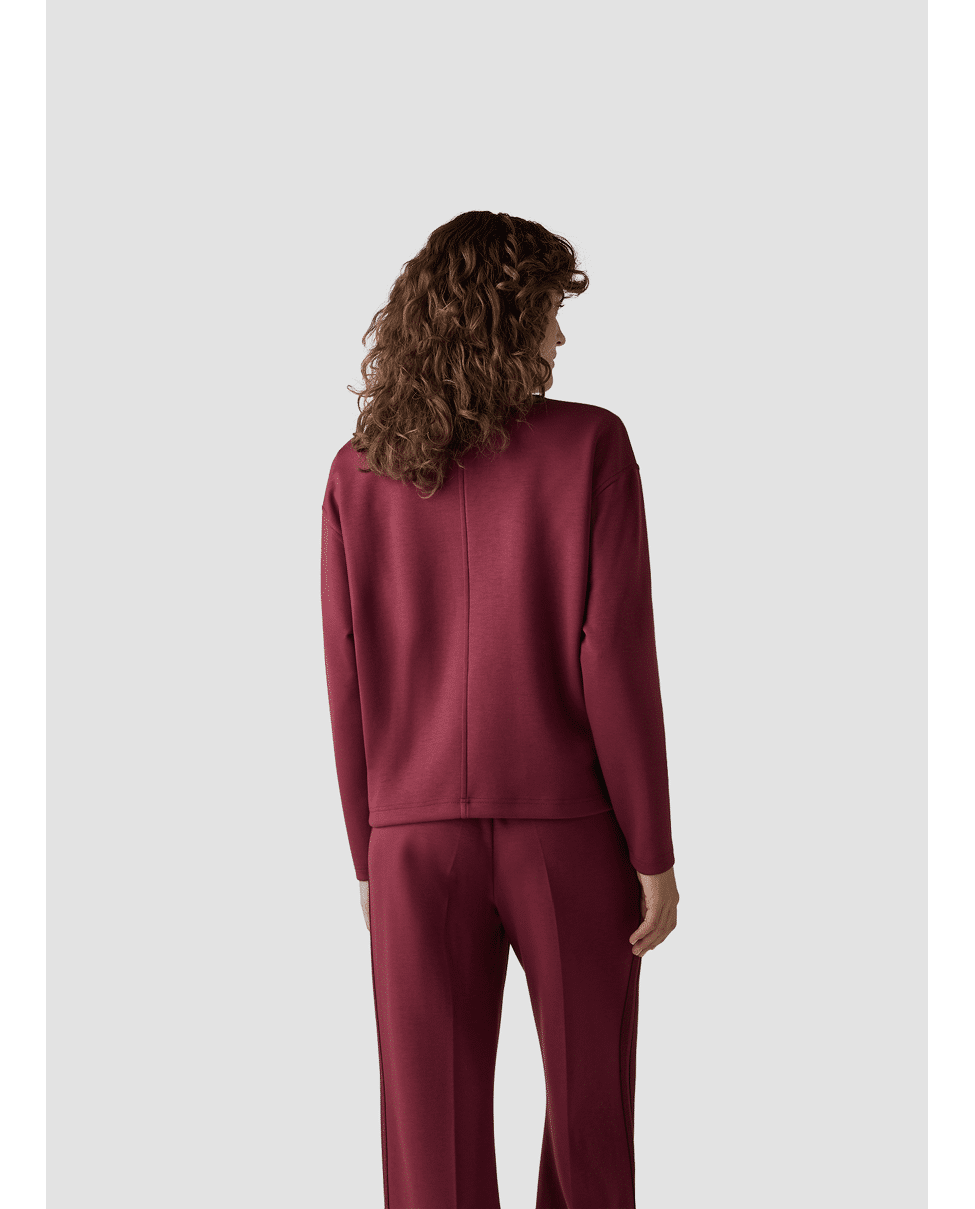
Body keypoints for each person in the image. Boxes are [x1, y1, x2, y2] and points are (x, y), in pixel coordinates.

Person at [320, 210, 679, 1209]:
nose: (560, 337)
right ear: (502, 320)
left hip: (412, 842)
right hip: (569, 833)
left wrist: (369, 849)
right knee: (591, 1124)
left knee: (427, 1145)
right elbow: (615, 659)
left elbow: (346, 679)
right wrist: (652, 847)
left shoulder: (359, 471)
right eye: (549, 314)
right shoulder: (592, 446)